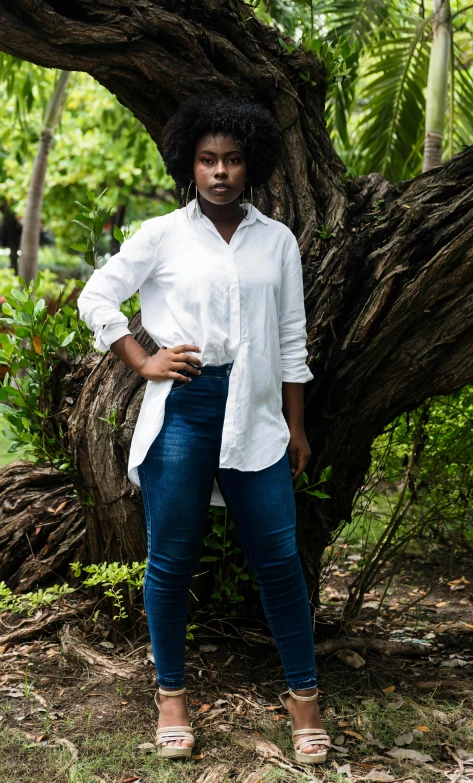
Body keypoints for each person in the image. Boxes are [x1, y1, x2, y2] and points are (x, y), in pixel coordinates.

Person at [77, 94, 331, 764]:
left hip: (257, 413)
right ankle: (171, 698)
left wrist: (296, 426)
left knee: (278, 559)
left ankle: (304, 701)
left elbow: (291, 339)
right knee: (172, 559)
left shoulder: (275, 241)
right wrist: (143, 357)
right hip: (183, 408)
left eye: (233, 159)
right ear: (189, 165)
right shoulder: (162, 234)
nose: (220, 171)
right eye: (208, 159)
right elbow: (96, 296)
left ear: (252, 165)